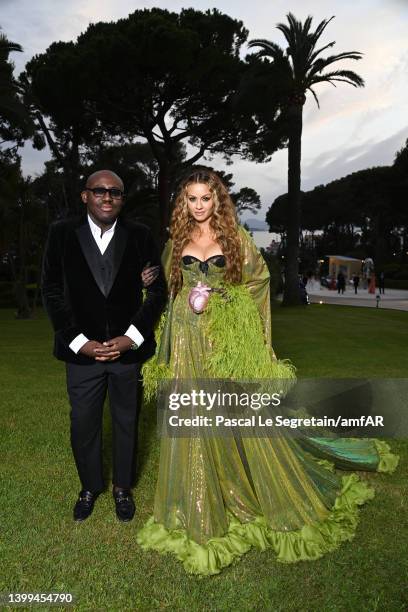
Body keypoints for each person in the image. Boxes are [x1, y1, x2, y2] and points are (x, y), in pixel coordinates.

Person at [137, 169, 398, 575]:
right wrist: (150, 288)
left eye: (207, 198)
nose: (200, 206)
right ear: (183, 202)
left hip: (225, 340)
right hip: (188, 343)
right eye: (192, 199)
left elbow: (258, 282)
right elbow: (165, 292)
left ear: (217, 200)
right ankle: (201, 501)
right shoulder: (175, 243)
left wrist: (225, 301)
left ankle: (243, 484)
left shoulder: (236, 238)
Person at [42, 170, 167, 522]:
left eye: (115, 192)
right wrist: (79, 343)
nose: (107, 197)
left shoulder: (140, 235)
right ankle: (89, 486)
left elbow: (157, 291)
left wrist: (132, 338)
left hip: (128, 354)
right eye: (100, 191)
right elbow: (50, 290)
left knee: (127, 421)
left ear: (122, 199)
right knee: (83, 422)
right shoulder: (61, 233)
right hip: (82, 355)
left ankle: (123, 489)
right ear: (85, 196)